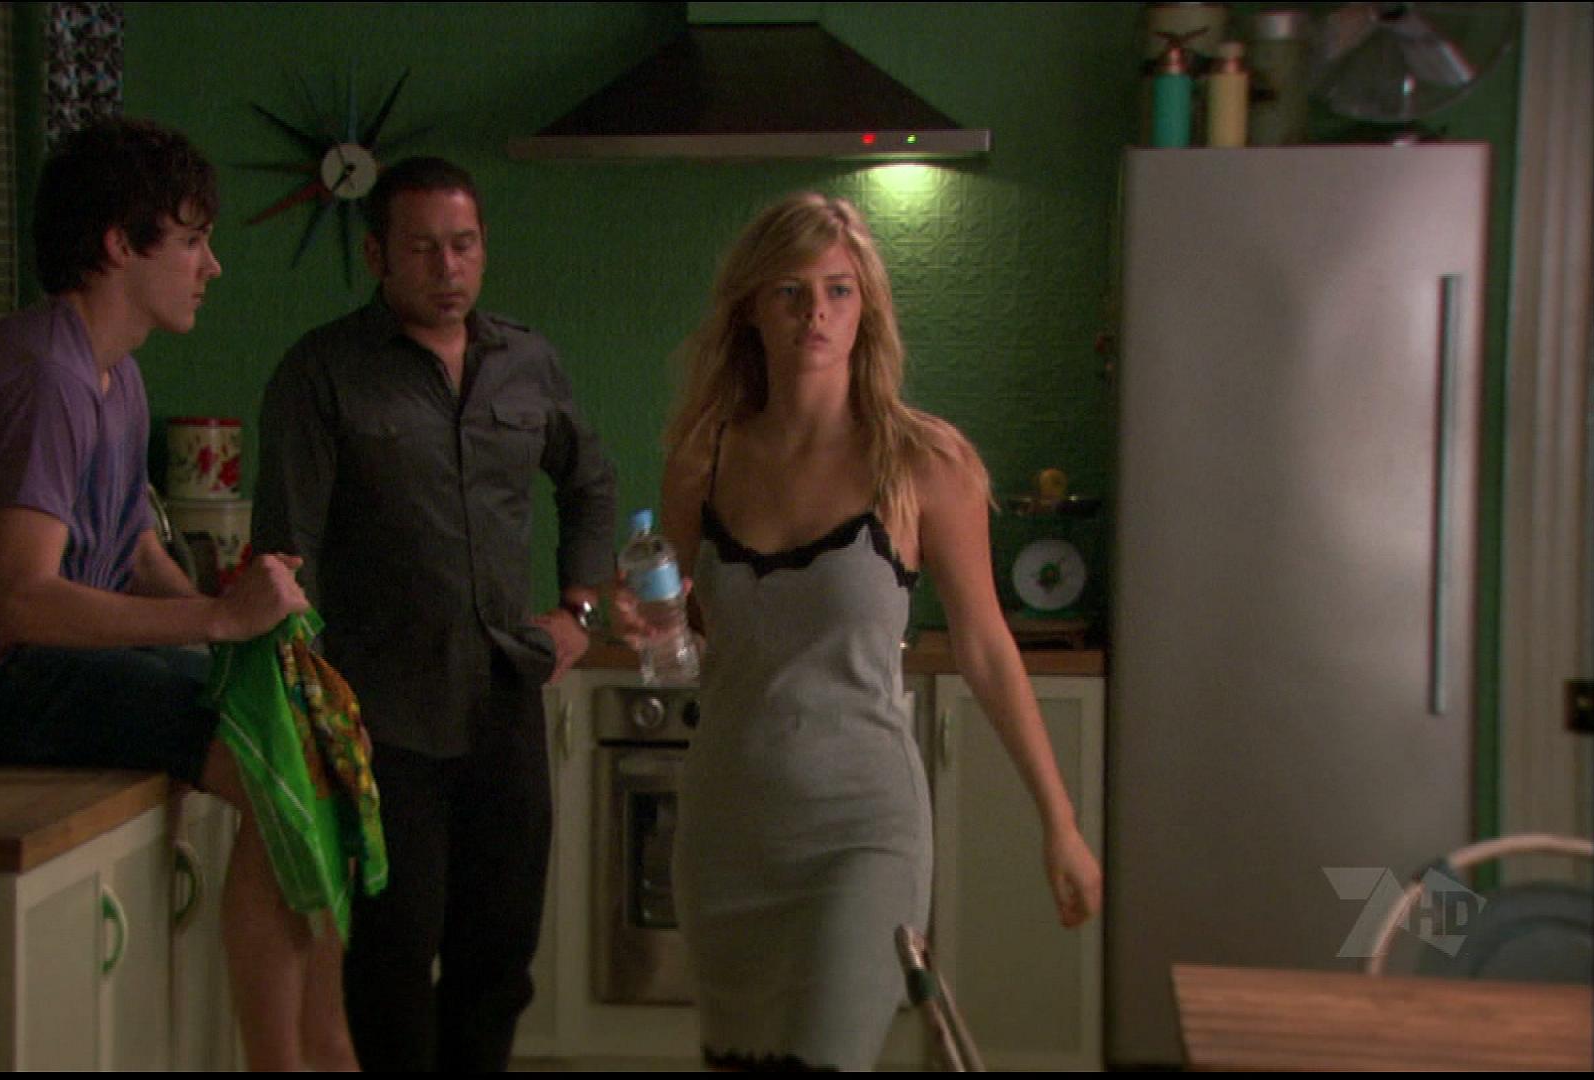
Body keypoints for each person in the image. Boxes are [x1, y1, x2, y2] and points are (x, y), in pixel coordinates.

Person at [0, 117, 358, 1070]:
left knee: (315, 726)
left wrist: (239, 641)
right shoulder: (46, 376)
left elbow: (131, 549)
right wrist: (218, 616)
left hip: (53, 666)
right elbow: (23, 600)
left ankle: (324, 1046)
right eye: (192, 240)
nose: (211, 266)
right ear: (119, 245)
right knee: (282, 765)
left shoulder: (114, 376)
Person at [620, 192, 1104, 1070]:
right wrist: (644, 618)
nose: (816, 313)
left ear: (866, 307)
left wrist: (1059, 823)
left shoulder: (922, 463)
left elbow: (987, 650)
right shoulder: (703, 459)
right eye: (790, 291)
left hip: (860, 831)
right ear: (751, 308)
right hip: (727, 827)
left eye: (838, 291)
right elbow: (686, 631)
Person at [252, 156, 618, 1071]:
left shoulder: (527, 362)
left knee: (499, 962)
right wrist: (305, 706)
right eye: (421, 249)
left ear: (483, 248)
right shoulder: (322, 372)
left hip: (503, 701)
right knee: (389, 966)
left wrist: (578, 608)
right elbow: (285, 555)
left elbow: (590, 484)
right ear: (377, 255)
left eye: (463, 245)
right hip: (381, 719)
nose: (446, 268)